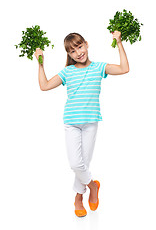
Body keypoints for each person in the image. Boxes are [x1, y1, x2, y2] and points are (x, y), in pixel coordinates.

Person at [34, 31, 129, 217]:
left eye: (79, 46)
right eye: (72, 51)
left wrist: (119, 42)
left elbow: (124, 68)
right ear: (68, 55)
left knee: (83, 163)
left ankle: (78, 196)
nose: (78, 52)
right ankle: (93, 186)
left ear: (86, 44)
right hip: (71, 123)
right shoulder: (67, 72)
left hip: (91, 123)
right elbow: (44, 86)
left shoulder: (99, 67)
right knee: (76, 164)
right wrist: (40, 62)